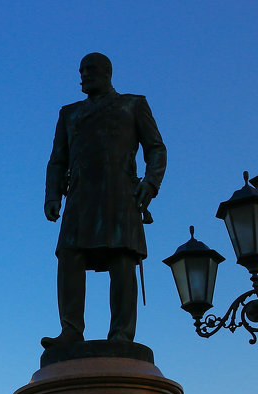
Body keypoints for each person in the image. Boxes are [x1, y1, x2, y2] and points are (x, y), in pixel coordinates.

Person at [44, 52, 166, 345]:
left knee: (121, 256)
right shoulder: (69, 113)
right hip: (80, 195)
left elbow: (156, 149)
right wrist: (51, 195)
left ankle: (122, 333)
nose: (84, 75)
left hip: (120, 192)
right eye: (82, 70)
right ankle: (71, 330)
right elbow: (57, 160)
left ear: (107, 72)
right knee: (69, 255)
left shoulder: (133, 104)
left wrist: (150, 183)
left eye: (90, 69)